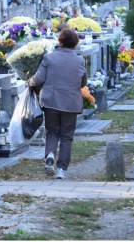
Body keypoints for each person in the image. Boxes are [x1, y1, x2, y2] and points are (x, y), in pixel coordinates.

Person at [28, 28, 87, 180]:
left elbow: (38, 78)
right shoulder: (80, 60)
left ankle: (50, 155)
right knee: (67, 136)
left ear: (60, 41)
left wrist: (29, 82)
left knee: (52, 131)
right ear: (75, 44)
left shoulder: (49, 58)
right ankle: (61, 170)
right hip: (70, 103)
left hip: (51, 101)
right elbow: (83, 82)